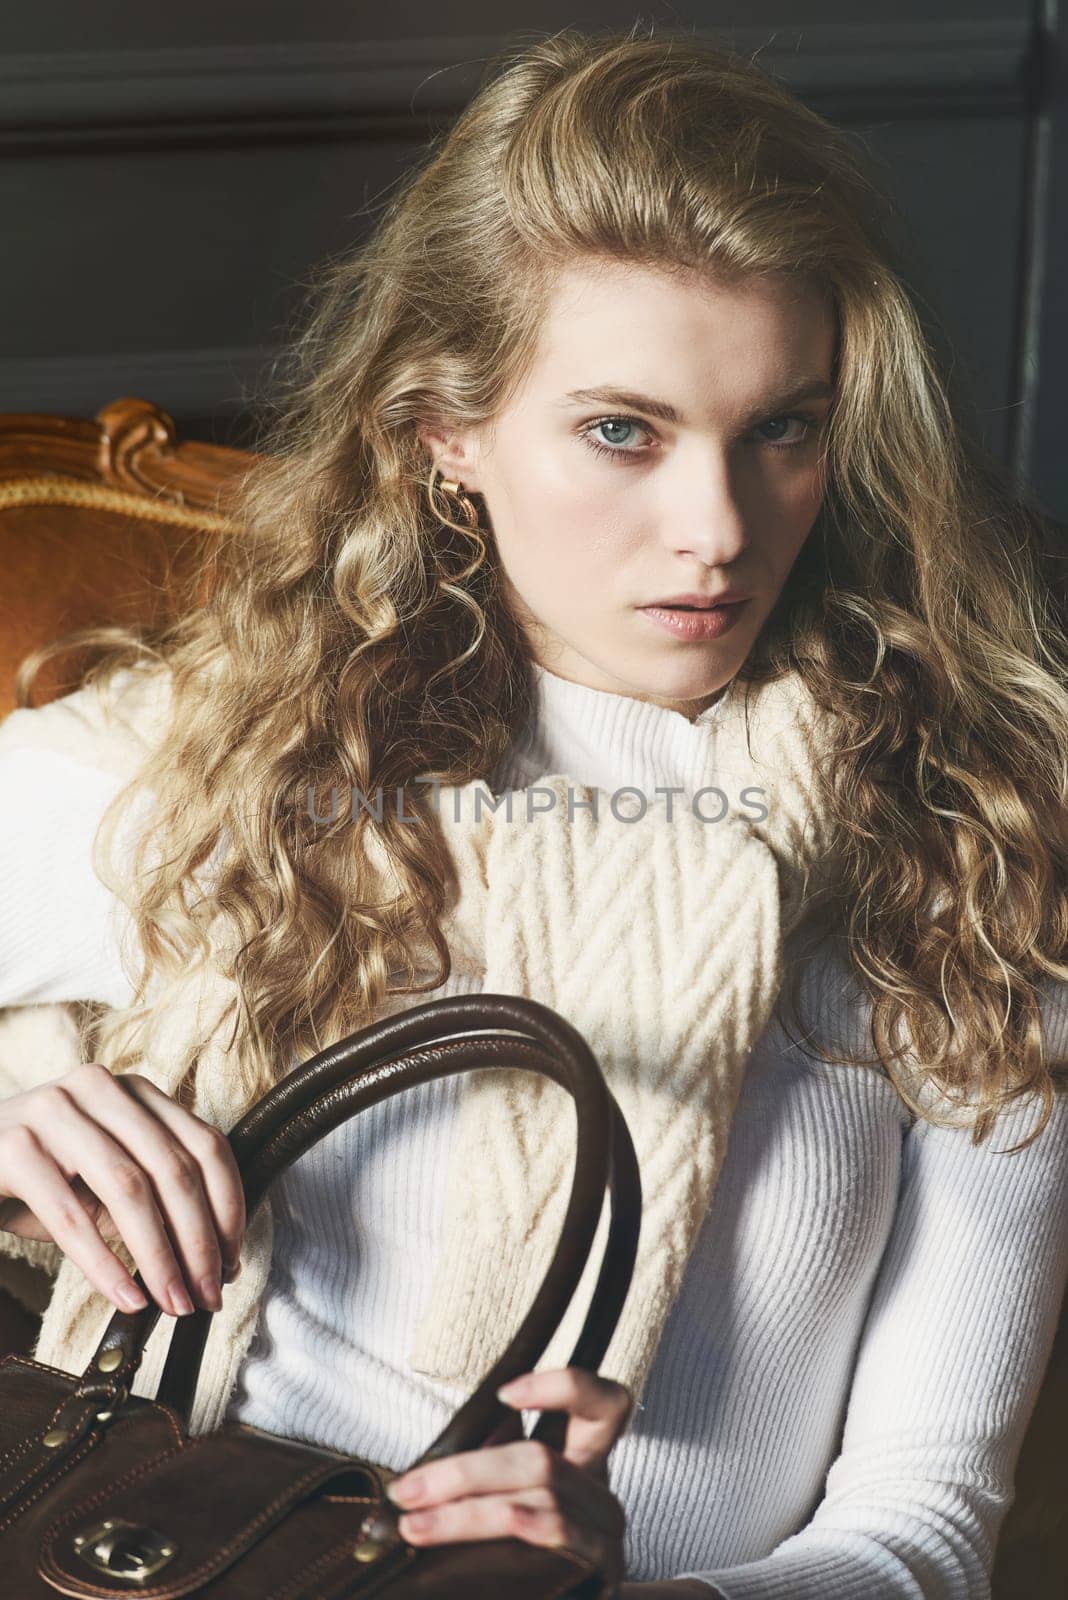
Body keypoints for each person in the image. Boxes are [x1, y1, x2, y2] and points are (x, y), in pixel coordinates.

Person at [0, 26, 1066, 1600]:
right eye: (622, 432)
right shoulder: (223, 754)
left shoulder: (969, 850)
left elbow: (920, 1540)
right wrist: (17, 1065)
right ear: (448, 434)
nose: (717, 531)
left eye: (784, 426)